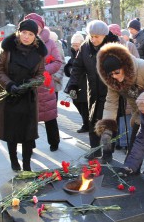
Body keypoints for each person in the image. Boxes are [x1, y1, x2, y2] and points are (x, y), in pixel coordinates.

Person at [95, 43, 144, 174]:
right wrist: (107, 129)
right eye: (111, 75)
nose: (115, 77)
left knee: (136, 141)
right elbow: (111, 102)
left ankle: (131, 171)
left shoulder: (143, 67)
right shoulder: (113, 81)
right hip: (138, 111)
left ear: (124, 66)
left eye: (117, 72)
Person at [0, 19, 47, 171]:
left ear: (35, 36)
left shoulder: (39, 53)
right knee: (11, 132)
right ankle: (13, 160)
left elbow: (40, 74)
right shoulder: (7, 48)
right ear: (18, 32)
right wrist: (9, 85)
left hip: (28, 97)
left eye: (30, 34)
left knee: (28, 134)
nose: (26, 37)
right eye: (24, 33)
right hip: (9, 95)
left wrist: (31, 84)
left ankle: (27, 164)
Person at [65, 20, 120, 159]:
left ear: (104, 35)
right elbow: (77, 67)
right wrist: (72, 85)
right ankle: (94, 150)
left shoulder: (114, 47)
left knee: (108, 123)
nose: (94, 39)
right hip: (93, 90)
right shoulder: (85, 47)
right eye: (91, 36)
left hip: (110, 90)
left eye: (97, 36)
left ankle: (108, 153)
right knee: (92, 120)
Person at [37, 26, 63, 152]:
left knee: (49, 114)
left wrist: (43, 71)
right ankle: (29, 145)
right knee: (30, 117)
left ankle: (54, 141)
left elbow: (58, 61)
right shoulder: (22, 42)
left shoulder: (50, 42)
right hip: (29, 85)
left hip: (46, 84)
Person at [64, 33, 89, 133]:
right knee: (76, 102)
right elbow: (70, 64)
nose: (74, 47)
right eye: (73, 45)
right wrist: (70, 69)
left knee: (83, 104)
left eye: (76, 45)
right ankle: (86, 123)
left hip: (83, 83)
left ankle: (87, 124)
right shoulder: (73, 53)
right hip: (74, 83)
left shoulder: (85, 52)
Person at [50, 31, 67, 101]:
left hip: (54, 78)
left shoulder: (57, 48)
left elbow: (61, 63)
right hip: (47, 78)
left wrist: (57, 76)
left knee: (53, 99)